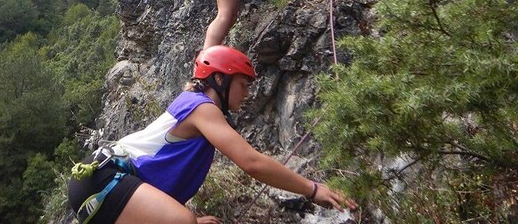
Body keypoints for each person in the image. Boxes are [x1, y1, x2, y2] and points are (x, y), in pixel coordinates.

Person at [68, 45, 356, 223]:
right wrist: (313, 189)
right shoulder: (202, 108)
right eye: (243, 84)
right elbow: (251, 163)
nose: (247, 93)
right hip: (105, 181)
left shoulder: (192, 101)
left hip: (100, 183)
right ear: (220, 79)